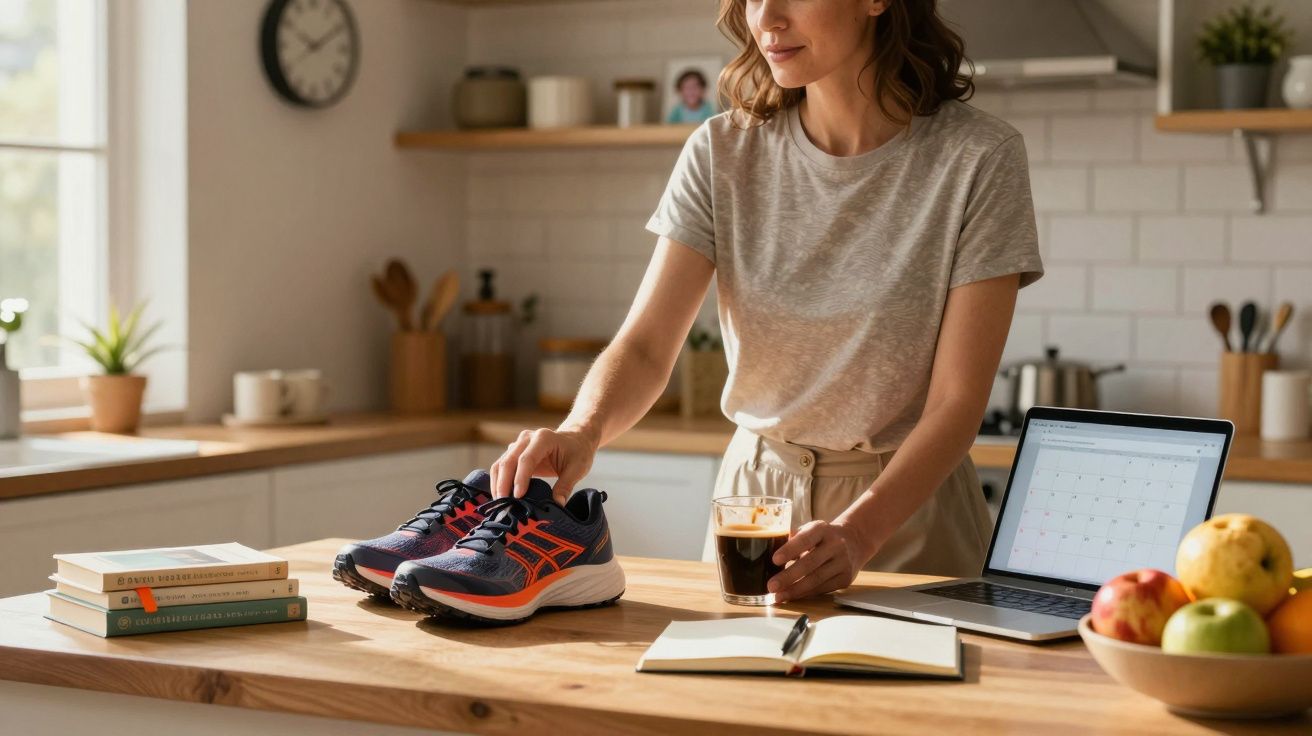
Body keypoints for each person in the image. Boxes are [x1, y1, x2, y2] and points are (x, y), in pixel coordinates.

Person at [490, 0, 1043, 603]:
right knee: (735, 694)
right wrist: (582, 432)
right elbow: (648, 346)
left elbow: (957, 404)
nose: (767, 18)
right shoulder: (722, 152)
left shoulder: (980, 158)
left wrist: (859, 534)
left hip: (908, 517)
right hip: (753, 507)